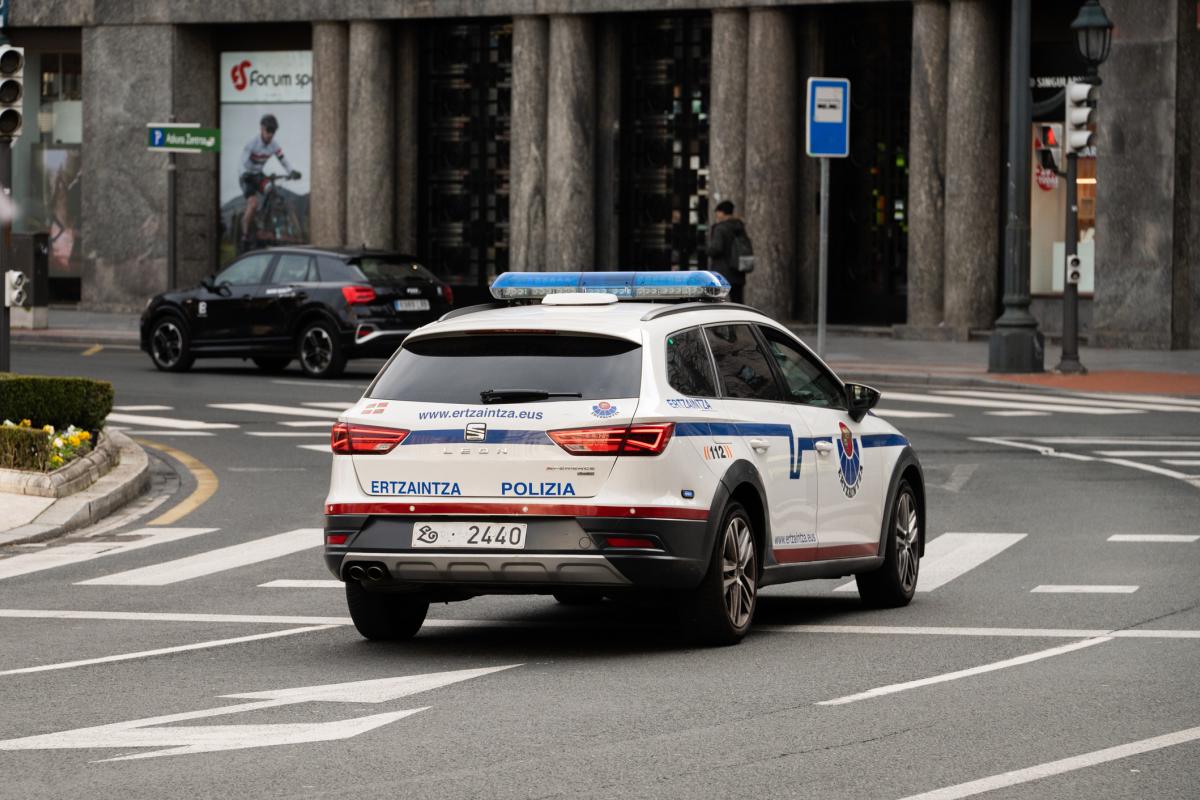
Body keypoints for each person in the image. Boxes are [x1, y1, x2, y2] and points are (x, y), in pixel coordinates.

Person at [239, 113, 301, 253]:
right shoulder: (252, 143)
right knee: (253, 204)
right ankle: (244, 235)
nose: (270, 135)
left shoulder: (274, 145)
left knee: (272, 191)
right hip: (247, 176)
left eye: (273, 132)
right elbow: (242, 162)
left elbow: (283, 160)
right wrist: (244, 173)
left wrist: (292, 171)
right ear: (262, 129)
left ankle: (264, 220)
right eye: (268, 131)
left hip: (258, 175)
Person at [706, 200, 752, 303]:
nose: (717, 215)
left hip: (722, 273)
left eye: (717, 212)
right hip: (738, 270)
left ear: (722, 213)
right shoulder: (739, 226)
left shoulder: (720, 228)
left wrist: (707, 250)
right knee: (738, 301)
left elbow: (716, 248)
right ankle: (740, 318)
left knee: (715, 301)